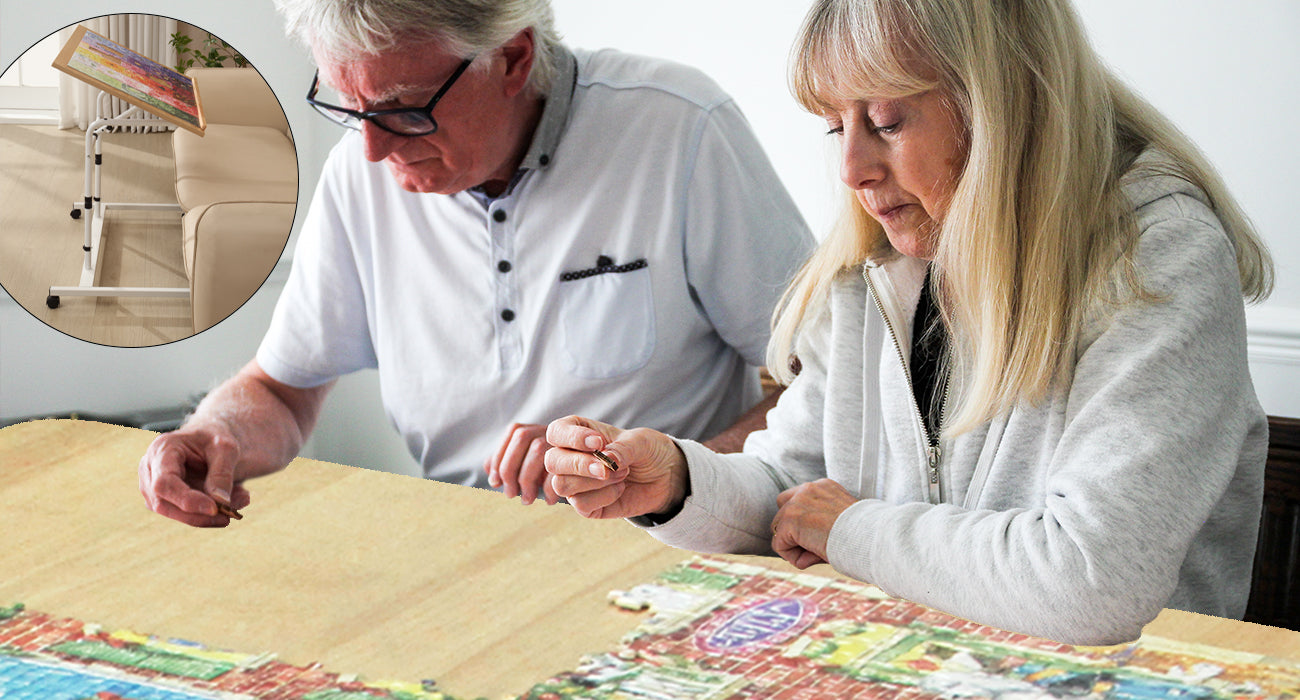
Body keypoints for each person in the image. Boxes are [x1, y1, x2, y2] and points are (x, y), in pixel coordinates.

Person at [544, 0, 1273, 646]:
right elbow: (792, 488)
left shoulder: (1162, 255)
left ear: (1004, 102)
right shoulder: (878, 263)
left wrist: (852, 530)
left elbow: (1092, 582)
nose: (852, 169)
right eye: (836, 128)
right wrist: (677, 481)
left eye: (886, 122)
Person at [136, 0, 812, 525]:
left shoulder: (678, 127)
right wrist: (215, 436)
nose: (372, 150)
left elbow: (830, 383)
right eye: (348, 106)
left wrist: (672, 476)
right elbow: (282, 391)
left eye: (403, 110)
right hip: (463, 547)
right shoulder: (359, 174)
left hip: (670, 539)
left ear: (513, 58)